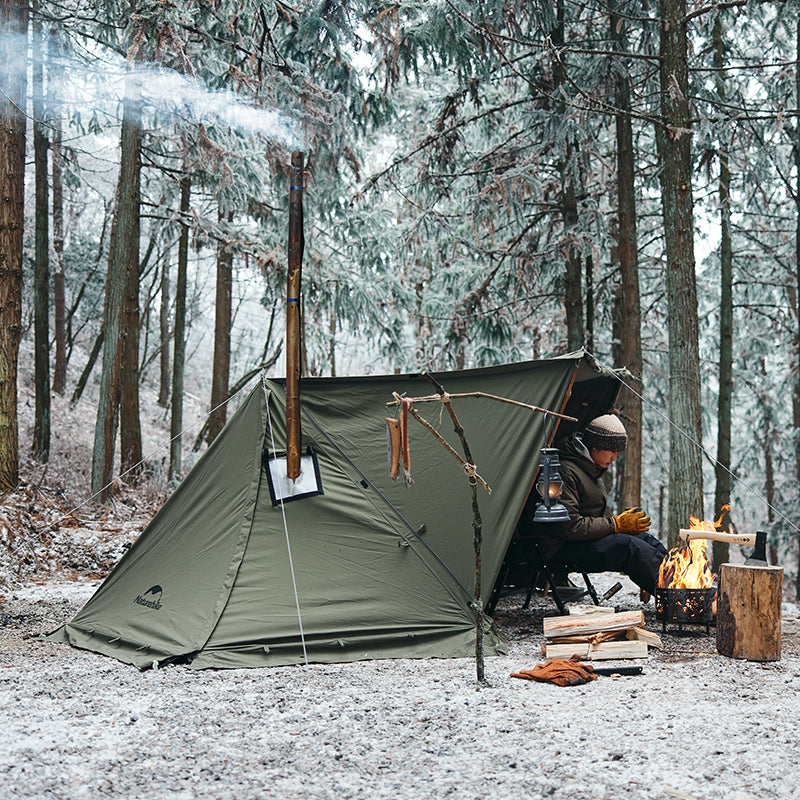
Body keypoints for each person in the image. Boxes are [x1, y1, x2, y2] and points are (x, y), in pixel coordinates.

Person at [535, 413, 667, 600]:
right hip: (558, 548)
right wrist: (615, 524)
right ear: (595, 446)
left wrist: (646, 575)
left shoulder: (592, 469)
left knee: (644, 538)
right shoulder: (565, 471)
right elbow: (569, 527)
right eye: (612, 450)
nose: (614, 457)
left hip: (580, 542)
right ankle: (677, 600)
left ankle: (683, 586)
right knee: (627, 546)